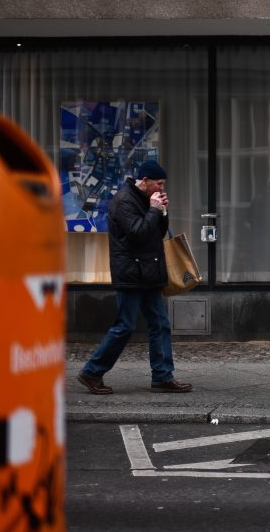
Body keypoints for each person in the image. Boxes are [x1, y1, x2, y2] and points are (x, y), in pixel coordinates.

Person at [77, 159, 193, 394]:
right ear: (145, 181)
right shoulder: (123, 201)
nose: (161, 188)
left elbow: (157, 232)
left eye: (163, 184)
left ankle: (162, 376)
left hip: (149, 272)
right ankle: (92, 372)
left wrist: (163, 212)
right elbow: (138, 234)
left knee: (160, 324)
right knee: (124, 326)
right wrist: (153, 210)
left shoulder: (147, 199)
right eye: (158, 183)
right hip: (130, 273)